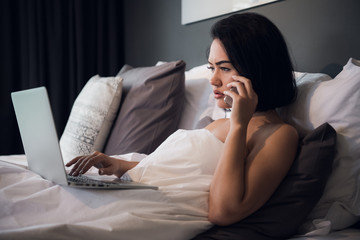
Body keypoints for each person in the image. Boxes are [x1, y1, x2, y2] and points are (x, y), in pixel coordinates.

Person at [66, 12, 299, 226]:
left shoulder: (279, 135)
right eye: (211, 68)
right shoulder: (220, 124)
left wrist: (239, 125)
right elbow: (177, 171)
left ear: (257, 69)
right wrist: (119, 165)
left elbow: (223, 211)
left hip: (146, 208)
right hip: (131, 189)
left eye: (225, 68)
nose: (213, 80)